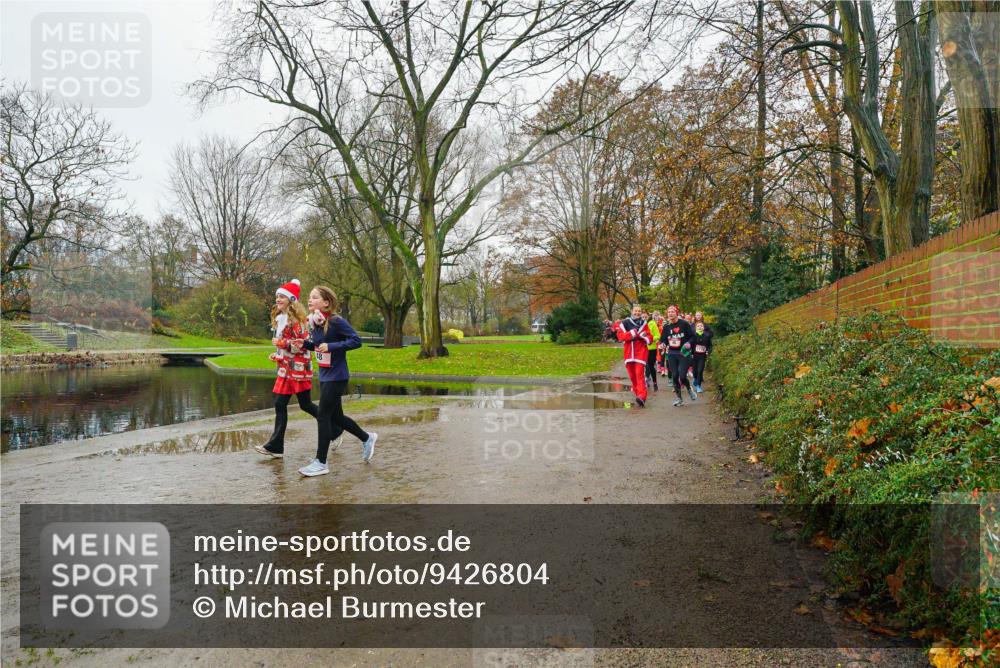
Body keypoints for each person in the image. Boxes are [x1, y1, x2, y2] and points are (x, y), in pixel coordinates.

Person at [298, 286, 377, 476]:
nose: (310, 300)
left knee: (323, 415)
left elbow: (356, 340)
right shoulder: (316, 322)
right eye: (309, 297)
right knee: (337, 417)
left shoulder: (336, 321)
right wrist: (304, 344)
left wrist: (332, 346)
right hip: (325, 375)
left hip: (337, 376)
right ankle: (367, 438)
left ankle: (321, 462)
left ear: (326, 302)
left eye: (314, 297)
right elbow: (319, 346)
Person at [255, 280, 320, 459]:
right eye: (277, 296)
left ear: (291, 300)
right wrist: (277, 354)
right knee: (280, 404)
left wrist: (282, 343)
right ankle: (276, 446)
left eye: (282, 296)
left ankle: (335, 428)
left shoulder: (298, 321)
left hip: (298, 370)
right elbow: (286, 348)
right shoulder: (281, 319)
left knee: (305, 405)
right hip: (286, 369)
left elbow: (303, 345)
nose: (278, 299)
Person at [660, 305, 698, 406]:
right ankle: (679, 398)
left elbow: (693, 337)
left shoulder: (684, 324)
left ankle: (689, 389)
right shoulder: (666, 327)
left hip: (683, 353)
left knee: (682, 376)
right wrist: (663, 344)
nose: (670, 313)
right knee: (675, 376)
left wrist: (689, 343)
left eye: (672, 311)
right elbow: (663, 339)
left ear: (676, 313)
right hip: (672, 354)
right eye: (669, 312)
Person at [615, 305, 652, 407]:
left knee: (639, 374)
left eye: (639, 311)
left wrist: (644, 337)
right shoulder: (625, 323)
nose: (637, 313)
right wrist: (632, 333)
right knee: (632, 376)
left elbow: (650, 337)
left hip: (640, 353)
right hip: (628, 353)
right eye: (636, 311)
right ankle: (638, 395)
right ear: (631, 311)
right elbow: (620, 336)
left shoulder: (644, 324)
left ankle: (642, 396)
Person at [691, 321, 713, 393]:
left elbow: (710, 345)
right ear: (695, 328)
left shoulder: (707, 336)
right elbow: (690, 345)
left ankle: (698, 386)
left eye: (701, 326)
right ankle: (695, 378)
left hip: (702, 356)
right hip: (694, 355)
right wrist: (690, 353)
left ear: (703, 328)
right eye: (698, 326)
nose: (700, 327)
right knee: (695, 371)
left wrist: (708, 351)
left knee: (700, 371)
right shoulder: (693, 335)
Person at [642, 310, 660, 392]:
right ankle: (645, 380)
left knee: (650, 366)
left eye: (645, 317)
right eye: (642, 317)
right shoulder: (639, 324)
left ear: (648, 317)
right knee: (643, 365)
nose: (644, 318)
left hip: (651, 348)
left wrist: (650, 339)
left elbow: (658, 335)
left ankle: (655, 382)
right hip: (642, 348)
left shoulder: (652, 323)